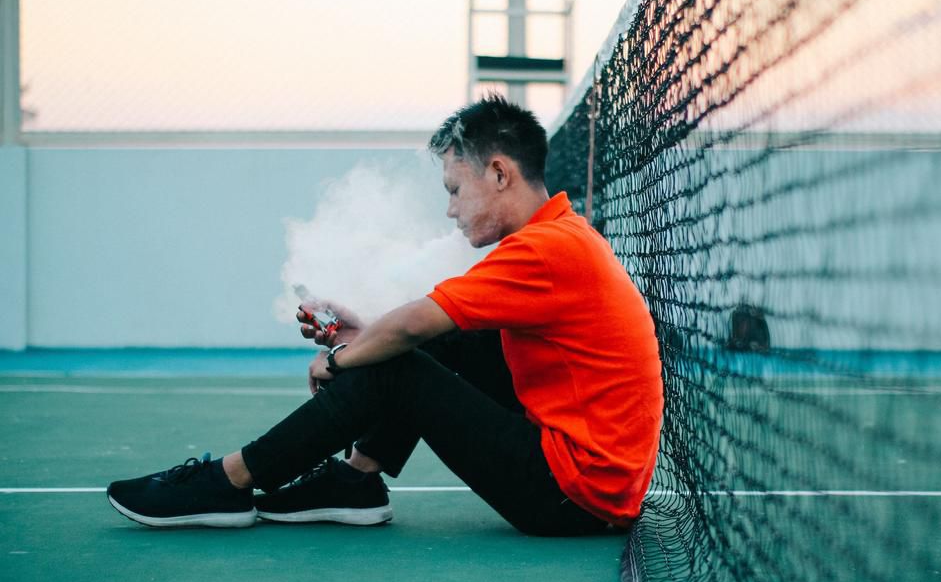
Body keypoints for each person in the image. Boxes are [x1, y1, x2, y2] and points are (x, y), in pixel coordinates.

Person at [106, 95, 664, 537]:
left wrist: (343, 359)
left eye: (454, 190)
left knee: (398, 363)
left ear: (498, 173)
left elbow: (416, 325)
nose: (450, 209)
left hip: (574, 497)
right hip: (594, 485)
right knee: (431, 342)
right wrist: (364, 335)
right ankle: (355, 480)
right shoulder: (563, 236)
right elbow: (429, 326)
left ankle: (226, 482)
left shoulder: (545, 249)